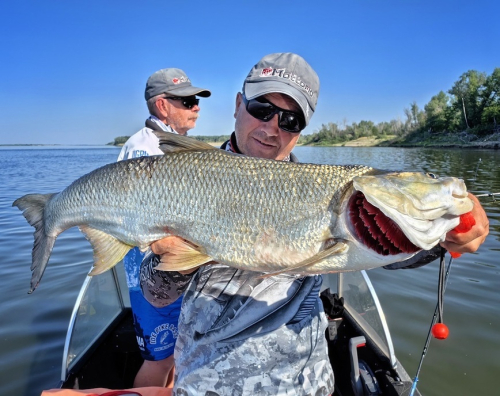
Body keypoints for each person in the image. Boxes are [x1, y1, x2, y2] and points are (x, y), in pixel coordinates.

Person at [141, 53, 490, 395]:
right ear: (237, 105)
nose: (272, 127)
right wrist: (173, 261)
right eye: (262, 109)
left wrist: (448, 229)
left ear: (302, 130)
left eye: (290, 120)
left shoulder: (327, 191)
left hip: (307, 384)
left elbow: (385, 248)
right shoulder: (182, 178)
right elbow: (155, 295)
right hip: (208, 384)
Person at [117, 67, 211, 387]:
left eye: (196, 99)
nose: (196, 106)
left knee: (176, 355)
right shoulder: (145, 150)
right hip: (152, 277)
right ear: (162, 106)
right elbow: (147, 224)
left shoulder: (174, 144)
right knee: (159, 361)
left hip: (178, 272)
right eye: (187, 100)